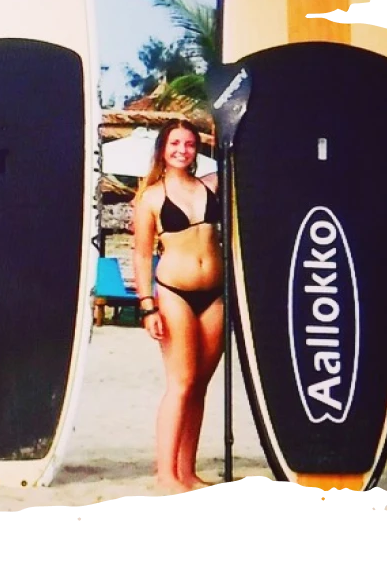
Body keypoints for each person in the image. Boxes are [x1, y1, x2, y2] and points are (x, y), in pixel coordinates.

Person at [130, 119, 224, 495]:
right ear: (162, 149)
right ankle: (166, 474)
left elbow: (245, 160)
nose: (182, 150)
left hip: (215, 294)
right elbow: (141, 256)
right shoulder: (151, 197)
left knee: (200, 386)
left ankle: (188, 471)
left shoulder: (212, 185)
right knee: (181, 383)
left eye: (189, 144)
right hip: (174, 294)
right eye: (175, 143)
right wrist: (147, 306)